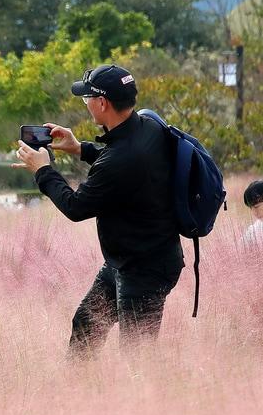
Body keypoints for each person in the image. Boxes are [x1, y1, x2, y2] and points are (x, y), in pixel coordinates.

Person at [14, 64, 181, 355]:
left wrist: (43, 171)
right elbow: (119, 161)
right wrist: (80, 148)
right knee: (86, 327)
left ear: (102, 103)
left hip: (144, 269)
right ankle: (79, 396)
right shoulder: (147, 126)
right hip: (127, 260)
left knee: (137, 358)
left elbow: (75, 207)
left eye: (86, 98)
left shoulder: (122, 158)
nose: (86, 104)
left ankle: (152, 401)